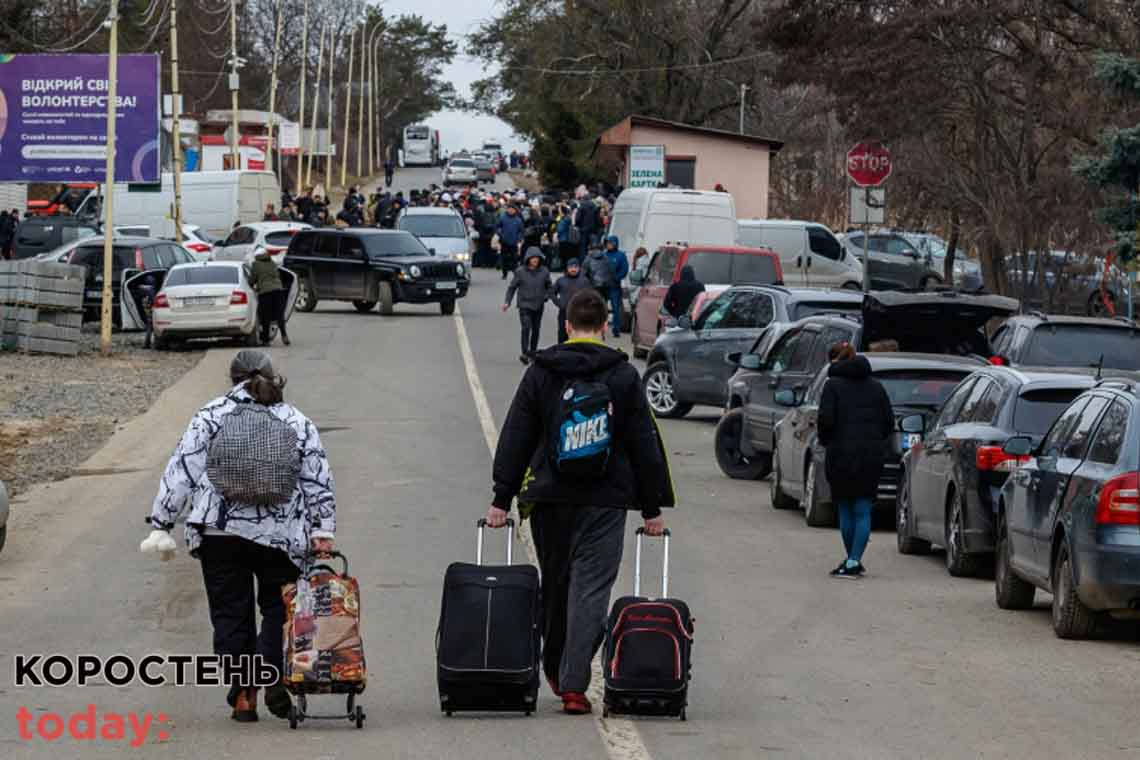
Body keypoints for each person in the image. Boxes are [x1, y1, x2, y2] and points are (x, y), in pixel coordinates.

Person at [486, 288, 675, 715]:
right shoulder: (622, 376)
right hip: (605, 502)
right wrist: (651, 508)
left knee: (555, 584)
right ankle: (574, 684)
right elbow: (643, 444)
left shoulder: (541, 372)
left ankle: (552, 666)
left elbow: (517, 434)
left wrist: (502, 497)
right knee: (591, 590)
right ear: (606, 325)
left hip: (549, 499)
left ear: (567, 326)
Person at [143, 351, 336, 722]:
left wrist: (162, 522)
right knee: (279, 609)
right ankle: (272, 669)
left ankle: (244, 695)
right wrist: (322, 528)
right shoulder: (295, 419)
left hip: (220, 532)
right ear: (271, 376)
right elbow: (317, 477)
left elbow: (182, 467)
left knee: (231, 614)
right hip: (281, 536)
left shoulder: (211, 414)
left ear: (233, 379)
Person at [817, 342, 893, 579]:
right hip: (871, 456)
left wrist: (826, 440)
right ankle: (853, 560)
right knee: (863, 509)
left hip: (840, 454)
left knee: (845, 508)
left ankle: (851, 560)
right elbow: (888, 423)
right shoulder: (877, 387)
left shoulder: (832, 386)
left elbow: (825, 421)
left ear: (835, 362)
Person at [502, 246, 552, 364]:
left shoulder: (544, 271)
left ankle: (533, 352)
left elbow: (549, 287)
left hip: (538, 305)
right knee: (526, 327)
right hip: (524, 304)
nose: (535, 260)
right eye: (533, 258)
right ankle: (524, 353)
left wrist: (546, 296)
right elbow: (512, 288)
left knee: (536, 329)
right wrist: (507, 302)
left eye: (537, 258)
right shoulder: (520, 272)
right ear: (528, 259)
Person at [249, 247, 291, 346]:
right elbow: (278, 275)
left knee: (265, 316)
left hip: (265, 293)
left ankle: (266, 340)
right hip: (278, 291)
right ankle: (284, 335)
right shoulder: (272, 263)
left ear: (257, 256)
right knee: (279, 315)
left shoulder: (256, 265)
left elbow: (252, 280)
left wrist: (253, 286)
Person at [550, 258, 590, 343]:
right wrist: (559, 303)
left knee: (577, 336)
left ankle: (575, 354)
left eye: (575, 267)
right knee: (562, 334)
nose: (573, 269)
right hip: (564, 312)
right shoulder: (561, 280)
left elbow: (589, 296)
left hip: (579, 313)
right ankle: (561, 352)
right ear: (567, 268)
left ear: (579, 268)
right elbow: (552, 293)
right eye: (571, 267)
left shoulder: (584, 281)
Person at [601, 235, 629, 337]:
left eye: (610, 243)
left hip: (614, 286)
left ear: (615, 244)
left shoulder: (620, 255)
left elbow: (624, 269)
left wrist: (616, 278)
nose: (608, 245)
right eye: (607, 243)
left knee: (616, 308)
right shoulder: (604, 255)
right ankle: (601, 329)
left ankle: (616, 329)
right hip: (604, 286)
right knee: (602, 308)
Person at [496, 204, 525, 280]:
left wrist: (519, 238)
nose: (511, 211)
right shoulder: (503, 218)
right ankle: (504, 273)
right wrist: (500, 234)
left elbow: (521, 231)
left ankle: (515, 273)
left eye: (512, 209)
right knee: (504, 258)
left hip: (514, 242)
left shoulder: (518, 220)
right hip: (504, 242)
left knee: (514, 259)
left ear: (515, 210)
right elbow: (497, 227)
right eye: (509, 209)